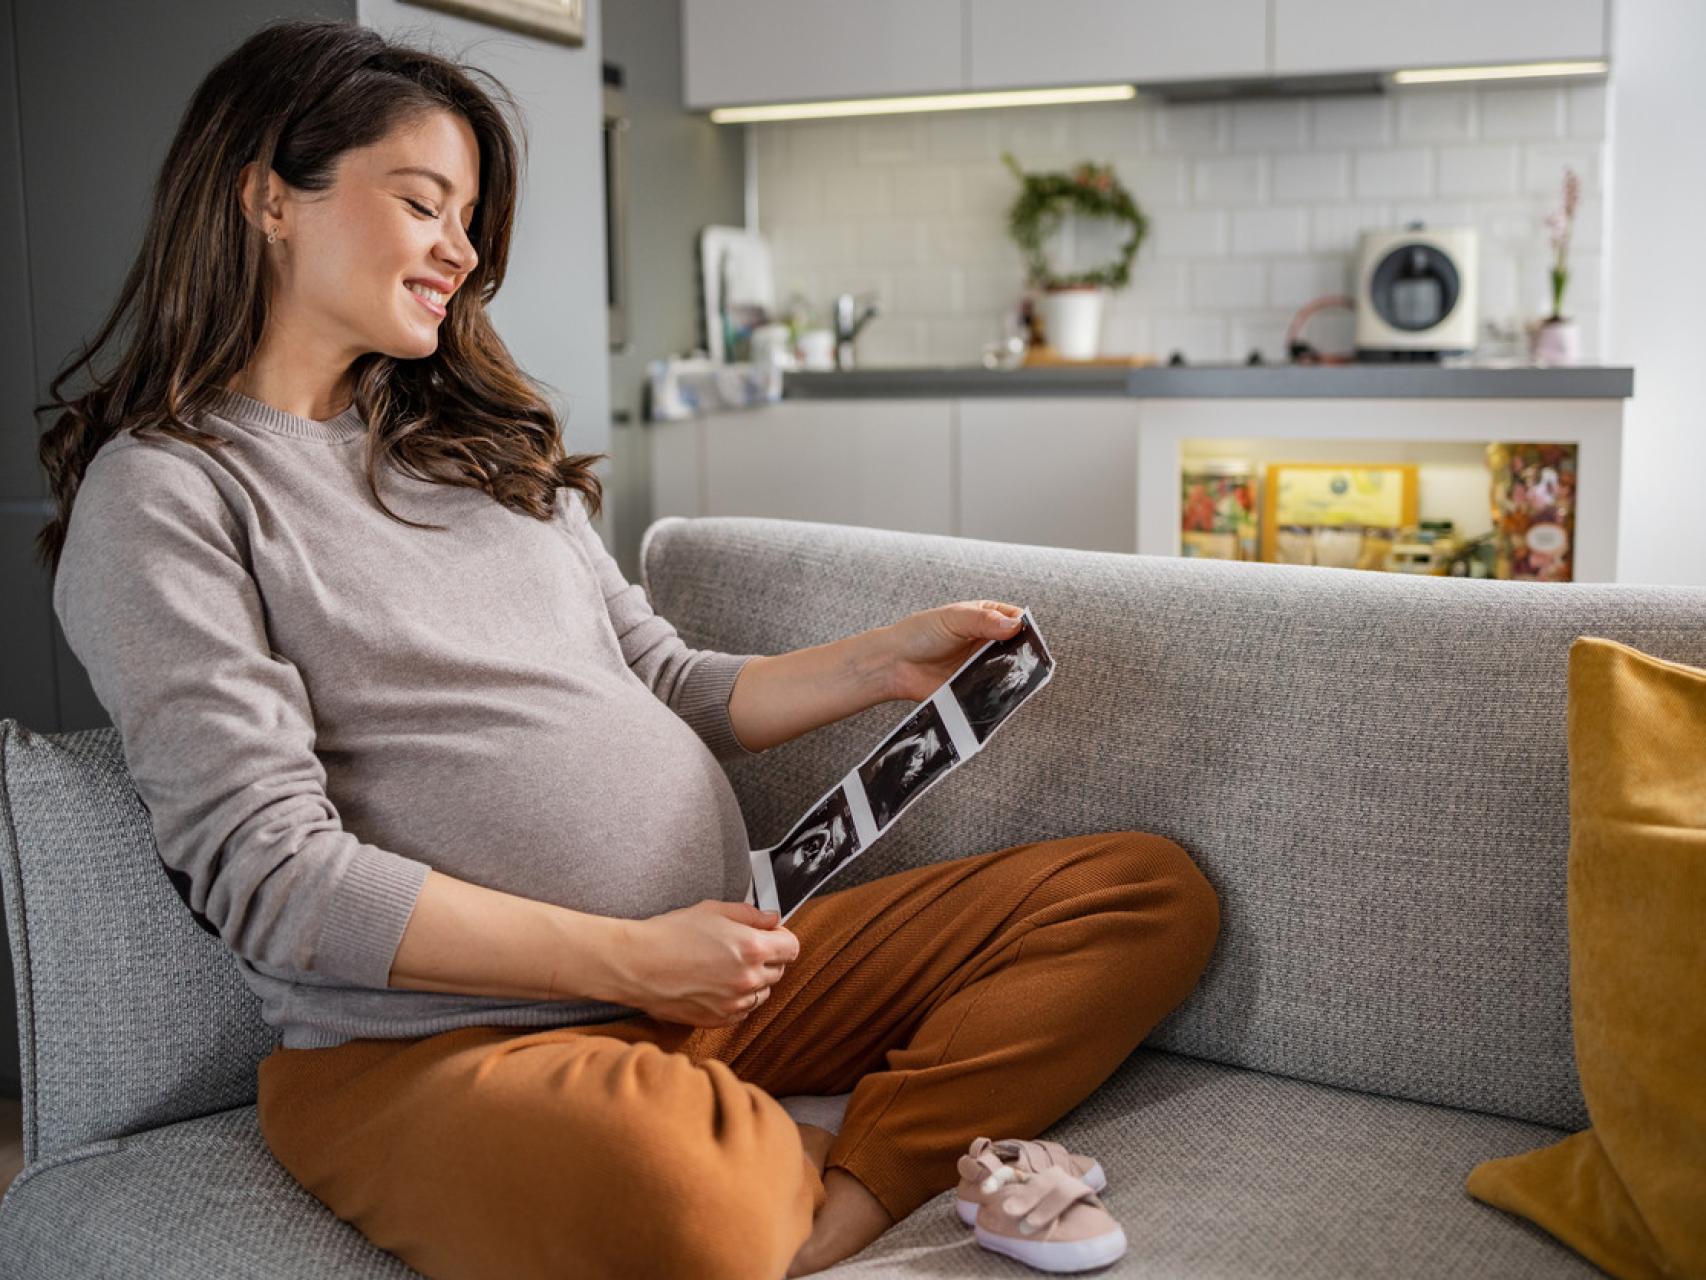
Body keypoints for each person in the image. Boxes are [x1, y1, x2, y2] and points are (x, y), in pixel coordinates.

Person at [36, 19, 1220, 1280]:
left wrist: (877, 664)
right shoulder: (169, 492)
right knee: (682, 1197)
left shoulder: (478, 447)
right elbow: (272, 876)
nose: (461, 250)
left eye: (470, 217)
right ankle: (842, 1177)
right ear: (269, 196)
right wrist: (633, 956)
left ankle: (835, 1181)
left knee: (1141, 893)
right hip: (444, 1046)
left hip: (724, 970)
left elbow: (657, 679)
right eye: (424, 203)